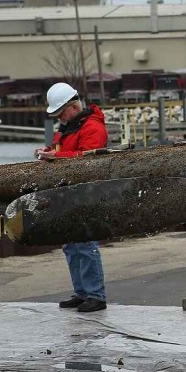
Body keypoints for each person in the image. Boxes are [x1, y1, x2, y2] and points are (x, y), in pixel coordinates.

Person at [36, 82, 109, 313]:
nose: (59, 117)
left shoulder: (92, 128)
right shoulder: (69, 127)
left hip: (86, 192)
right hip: (69, 192)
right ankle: (82, 292)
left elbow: (88, 160)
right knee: (72, 245)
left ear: (73, 107)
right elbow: (62, 149)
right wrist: (48, 152)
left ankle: (95, 295)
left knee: (85, 244)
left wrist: (55, 158)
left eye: (60, 112)